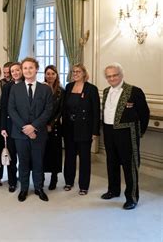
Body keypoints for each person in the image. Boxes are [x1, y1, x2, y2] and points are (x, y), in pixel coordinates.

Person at [101, 63, 149, 210]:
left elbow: (144, 114)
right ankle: (113, 190)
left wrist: (139, 133)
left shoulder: (134, 91)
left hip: (127, 133)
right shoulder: (106, 91)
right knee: (112, 163)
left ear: (121, 75)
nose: (112, 78)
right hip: (109, 131)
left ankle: (132, 197)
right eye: (109, 76)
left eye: (115, 75)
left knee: (130, 166)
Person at [8, 57, 53, 202]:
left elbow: (48, 110)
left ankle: (39, 188)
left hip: (39, 133)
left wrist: (33, 127)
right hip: (20, 134)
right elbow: (11, 110)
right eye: (25, 68)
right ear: (22, 70)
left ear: (36, 69)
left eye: (31, 68)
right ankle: (24, 188)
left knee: (38, 161)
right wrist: (26, 128)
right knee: (23, 161)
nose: (28, 70)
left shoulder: (45, 88)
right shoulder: (15, 88)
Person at [62, 63, 100, 195]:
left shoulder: (91, 89)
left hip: (85, 128)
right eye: (73, 72)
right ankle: (68, 181)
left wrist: (95, 131)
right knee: (69, 156)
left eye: (78, 71)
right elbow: (64, 109)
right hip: (69, 128)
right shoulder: (68, 87)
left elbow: (96, 111)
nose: (75, 74)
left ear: (84, 73)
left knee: (84, 158)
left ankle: (84, 186)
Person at [0, 62, 23, 193]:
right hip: (10, 126)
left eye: (17, 70)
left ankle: (23, 179)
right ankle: (12, 182)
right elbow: (3, 108)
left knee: (24, 157)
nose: (15, 73)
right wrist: (3, 127)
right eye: (12, 71)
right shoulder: (7, 87)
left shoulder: (28, 85)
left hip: (24, 127)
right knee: (12, 156)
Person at [42, 65, 64, 190]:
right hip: (41, 126)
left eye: (53, 73)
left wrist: (51, 124)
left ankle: (54, 179)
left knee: (55, 153)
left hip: (55, 127)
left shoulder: (61, 91)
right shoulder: (40, 88)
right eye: (48, 73)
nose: (50, 76)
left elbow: (60, 111)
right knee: (43, 153)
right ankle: (42, 178)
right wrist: (44, 123)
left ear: (56, 75)